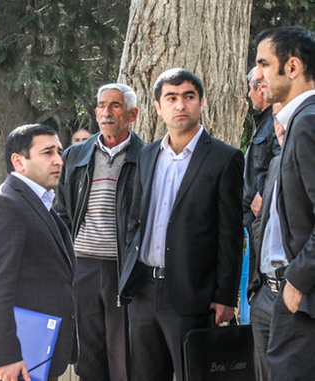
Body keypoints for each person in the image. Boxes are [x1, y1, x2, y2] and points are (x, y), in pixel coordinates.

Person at [119, 68, 244, 381]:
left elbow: (229, 234)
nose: (180, 105)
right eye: (171, 98)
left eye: (188, 97)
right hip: (144, 291)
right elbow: (134, 220)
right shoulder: (146, 156)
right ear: (158, 108)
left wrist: (225, 296)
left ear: (201, 102)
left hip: (193, 294)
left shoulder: (224, 158)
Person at [54, 83, 145, 381]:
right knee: (88, 358)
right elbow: (62, 213)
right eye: (102, 105)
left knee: (124, 359)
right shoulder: (75, 155)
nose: (107, 112)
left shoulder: (147, 157)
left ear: (131, 113)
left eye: (115, 106)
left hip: (125, 271)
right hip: (83, 268)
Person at [0, 124, 75, 381]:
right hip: (16, 362)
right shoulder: (6, 205)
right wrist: (5, 354)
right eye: (47, 153)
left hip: (39, 356)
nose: (58, 160)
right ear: (18, 161)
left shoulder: (38, 203)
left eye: (59, 152)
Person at [253, 26, 315, 380]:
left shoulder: (308, 122)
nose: (258, 74)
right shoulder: (299, 123)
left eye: (263, 63)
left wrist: (297, 282)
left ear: (292, 67)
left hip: (301, 302)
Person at [247, 102, 285, 381]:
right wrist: (256, 289)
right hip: (265, 294)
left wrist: (297, 285)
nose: (279, 125)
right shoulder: (275, 164)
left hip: (298, 295)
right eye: (275, 118)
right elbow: (260, 222)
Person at [243, 67, 280, 283]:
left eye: (251, 89)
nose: (249, 95)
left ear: (261, 89)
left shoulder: (275, 122)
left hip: (263, 218)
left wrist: (263, 197)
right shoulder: (264, 122)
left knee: (263, 282)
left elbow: (280, 159)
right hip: (254, 220)